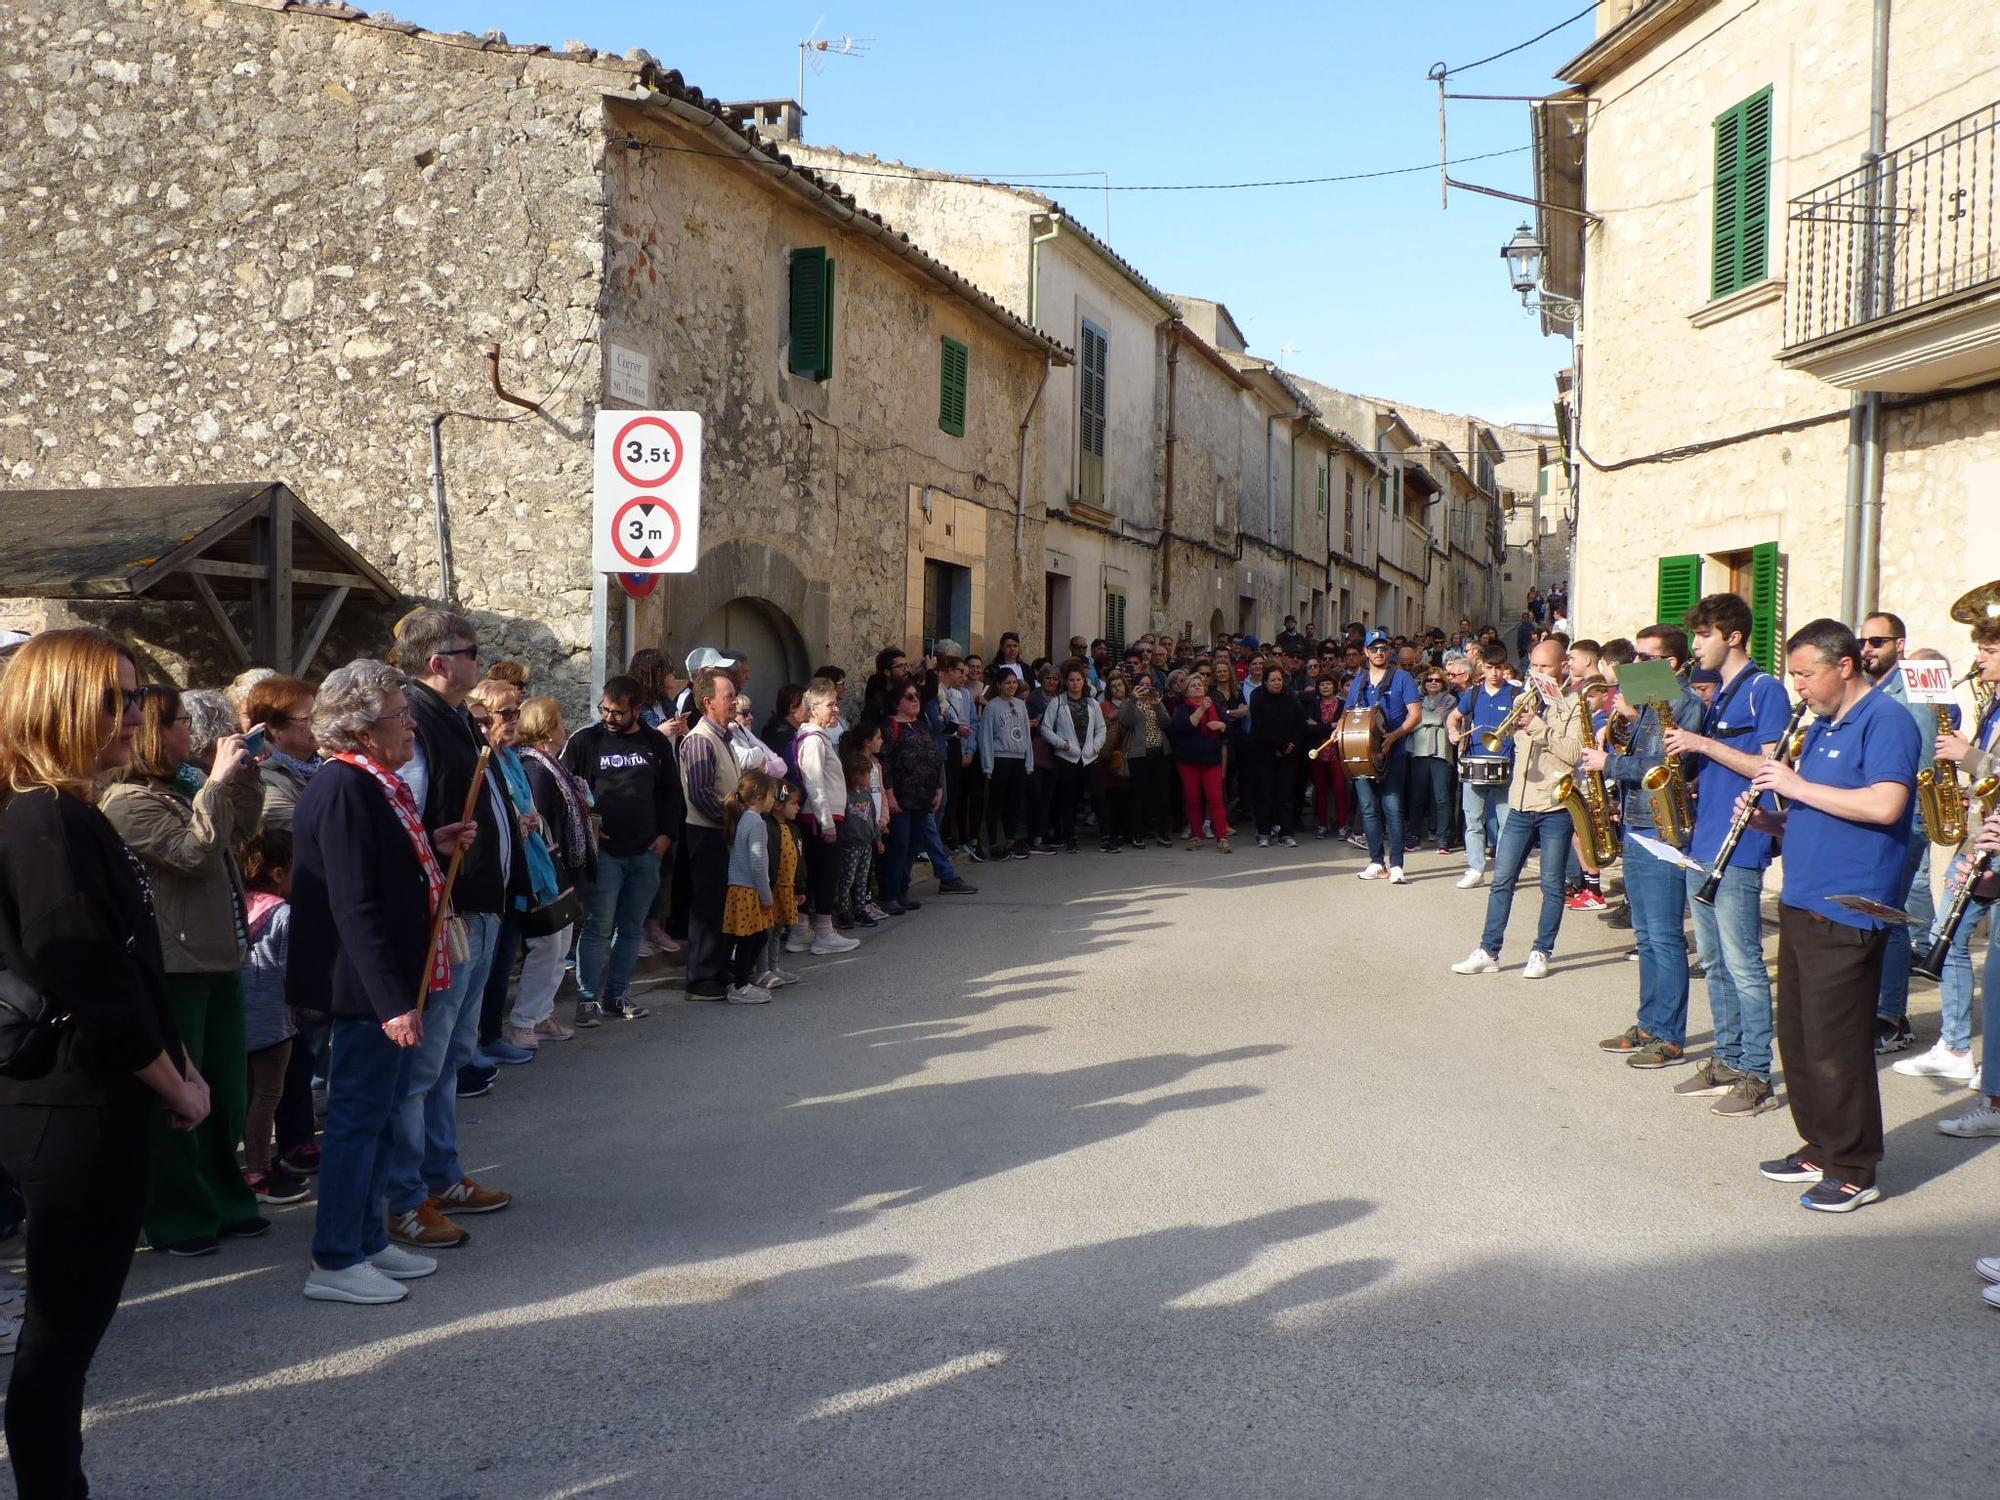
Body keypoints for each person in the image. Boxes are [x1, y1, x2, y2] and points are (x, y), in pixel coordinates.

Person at [0, 629, 210, 1495]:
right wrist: (170, 1079)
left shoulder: (60, 808)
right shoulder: (45, 813)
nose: (134, 716)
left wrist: (175, 1062)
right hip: (73, 1102)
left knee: (62, 1337)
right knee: (58, 1340)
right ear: (58, 706)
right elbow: (81, 966)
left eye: (135, 698)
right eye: (116, 700)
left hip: (82, 1096)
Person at [292, 658, 473, 1302]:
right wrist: (392, 1000)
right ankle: (336, 1257)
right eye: (400, 718)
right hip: (366, 988)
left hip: (389, 982)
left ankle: (367, 1239)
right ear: (364, 729)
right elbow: (352, 903)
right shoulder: (344, 788)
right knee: (355, 1120)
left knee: (375, 1117)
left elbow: (386, 869)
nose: (411, 730)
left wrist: (437, 843)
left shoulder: (372, 784)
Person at [1735, 619, 1920, 1211]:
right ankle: (1819, 1143)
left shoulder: (1885, 721)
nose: (1799, 688)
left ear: (1844, 666)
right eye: (1794, 676)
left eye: (1806, 675)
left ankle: (1855, 1166)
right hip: (1803, 902)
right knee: (1800, 1034)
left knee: (1837, 1044)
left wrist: (1794, 784)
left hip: (1850, 906)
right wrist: (1772, 820)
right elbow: (1821, 810)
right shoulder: (1820, 725)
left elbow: (1886, 804)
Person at [100, 683, 268, 1257]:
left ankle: (227, 1198)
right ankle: (177, 1214)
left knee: (228, 1091)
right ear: (152, 733)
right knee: (181, 1101)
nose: (187, 735)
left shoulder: (189, 785)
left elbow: (242, 832)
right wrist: (218, 784)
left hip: (220, 956)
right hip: (176, 965)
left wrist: (241, 776)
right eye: (175, 723)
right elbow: (192, 853)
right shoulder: (125, 801)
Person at [384, 608, 519, 1251]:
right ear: (438, 662)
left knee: (449, 1060)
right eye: (470, 651)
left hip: (477, 910)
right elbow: (405, 821)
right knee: (423, 1067)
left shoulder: (456, 720)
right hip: (449, 916)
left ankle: (441, 1174)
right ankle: (407, 1196)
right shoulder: (415, 724)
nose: (478, 661)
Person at [1660, 593, 1798, 1117]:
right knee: (1715, 961)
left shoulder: (1767, 690)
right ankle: (1727, 1057)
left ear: (1733, 636)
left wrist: (1702, 745)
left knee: (1744, 965)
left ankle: (1756, 1072)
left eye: (1703, 635)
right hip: (1704, 839)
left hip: (1741, 842)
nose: (1696, 645)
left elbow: (1771, 766)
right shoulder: (1717, 695)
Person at [1584, 625, 1706, 1069]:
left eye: (1644, 657)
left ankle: (1669, 1035)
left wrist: (1609, 762)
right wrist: (1626, 724)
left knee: (1665, 935)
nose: (1634, 665)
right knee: (1647, 935)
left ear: (1670, 664)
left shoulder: (1684, 702)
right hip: (1637, 820)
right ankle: (1649, 1023)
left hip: (1662, 826)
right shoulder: (1653, 700)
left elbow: (1664, 765)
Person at [1451, 638, 1586, 979]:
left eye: (1545, 667)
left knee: (1552, 885)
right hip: (1520, 804)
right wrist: (1510, 728)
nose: (1537, 673)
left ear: (1563, 667)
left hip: (1555, 805)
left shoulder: (1573, 705)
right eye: (1534, 667)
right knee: (1502, 881)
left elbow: (1573, 753)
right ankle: (1488, 950)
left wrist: (1537, 727)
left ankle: (1541, 951)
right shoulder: (1522, 698)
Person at [561, 673, 683, 1022]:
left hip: (646, 852)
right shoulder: (587, 741)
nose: (609, 718)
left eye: (617, 712)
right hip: (606, 855)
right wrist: (587, 832)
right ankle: (586, 999)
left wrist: (666, 836)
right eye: (605, 710)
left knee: (631, 928)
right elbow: (567, 791)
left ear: (638, 710)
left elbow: (671, 793)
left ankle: (617, 994)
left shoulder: (655, 744)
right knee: (598, 925)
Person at [1911, 620, 2000, 1097]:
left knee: (1967, 945)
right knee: (1952, 939)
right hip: (1981, 838)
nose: (1979, 658)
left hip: (1993, 847)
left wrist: (1970, 757)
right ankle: (1956, 1045)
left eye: (1989, 649)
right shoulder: (1993, 705)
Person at [1858, 613, 1942, 1054]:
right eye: (1863, 640)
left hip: (1906, 816)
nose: (1867, 648)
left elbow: (1925, 760)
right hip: (1877, 816)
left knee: (1888, 918)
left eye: (1877, 640)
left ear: (1900, 644)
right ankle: (1881, 1008)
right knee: (1878, 914)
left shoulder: (1913, 687)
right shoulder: (1873, 689)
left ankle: (1891, 1017)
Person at [237, 826, 309, 1206]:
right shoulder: (284, 913)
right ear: (279, 874)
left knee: (244, 1095)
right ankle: (259, 1170)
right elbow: (291, 970)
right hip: (273, 1020)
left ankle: (251, 1164)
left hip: (238, 1015)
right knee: (267, 1096)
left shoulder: (238, 904)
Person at [515, 696, 588, 1039]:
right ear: (545, 728)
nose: (565, 728)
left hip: (560, 870)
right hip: (546, 873)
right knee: (546, 948)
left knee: (559, 947)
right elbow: (540, 824)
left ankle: (542, 1014)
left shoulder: (551, 765)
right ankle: (524, 1021)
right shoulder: (537, 771)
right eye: (559, 721)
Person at [881, 681, 977, 907]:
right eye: (909, 697)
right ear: (897, 702)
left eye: (917, 696)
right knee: (899, 845)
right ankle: (888, 894)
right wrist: (889, 794)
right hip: (901, 797)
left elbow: (932, 756)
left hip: (923, 796)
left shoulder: (922, 724)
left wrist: (938, 787)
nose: (915, 700)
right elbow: (884, 762)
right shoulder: (890, 726)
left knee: (912, 846)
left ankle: (902, 892)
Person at [677, 667, 739, 1000]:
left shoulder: (722, 737)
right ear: (707, 702)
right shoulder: (701, 740)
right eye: (728, 696)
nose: (735, 701)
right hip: (709, 834)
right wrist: (735, 821)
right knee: (707, 907)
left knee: (720, 905)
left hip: (721, 832)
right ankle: (701, 979)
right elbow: (702, 794)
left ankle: (716, 970)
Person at [1346, 629, 1421, 883]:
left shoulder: (1402, 678)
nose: (1379, 652)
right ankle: (1376, 862)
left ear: (1388, 651)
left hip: (1394, 753)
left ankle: (1397, 864)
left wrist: (1395, 735)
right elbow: (1347, 718)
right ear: (1366, 652)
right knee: (1368, 809)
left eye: (1383, 648)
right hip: (1363, 755)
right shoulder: (1359, 682)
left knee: (1392, 808)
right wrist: (1338, 732)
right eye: (1374, 648)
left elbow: (1415, 714)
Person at [793, 679, 859, 951]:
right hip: (822, 818)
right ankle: (822, 932)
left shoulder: (816, 738)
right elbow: (814, 780)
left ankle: (802, 932)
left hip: (824, 816)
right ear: (813, 708)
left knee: (819, 873)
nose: (836, 709)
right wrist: (826, 820)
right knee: (825, 874)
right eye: (831, 705)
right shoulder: (813, 740)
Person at [1448, 643, 1519, 890]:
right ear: (1483, 667)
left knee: (1506, 823)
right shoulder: (1474, 694)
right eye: (1490, 668)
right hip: (1476, 763)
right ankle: (1476, 869)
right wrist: (1453, 732)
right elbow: (1453, 717)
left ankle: (1504, 873)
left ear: (1505, 668)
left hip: (1505, 764)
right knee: (1474, 820)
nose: (1495, 673)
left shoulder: (1514, 694)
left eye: (1499, 668)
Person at [721, 769, 779, 1004]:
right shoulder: (756, 822)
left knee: (756, 938)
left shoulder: (741, 818)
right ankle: (741, 985)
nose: (774, 801)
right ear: (758, 797)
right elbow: (757, 862)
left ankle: (741, 980)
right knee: (750, 938)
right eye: (771, 796)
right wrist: (766, 896)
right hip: (749, 889)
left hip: (738, 888)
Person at [1043, 662, 1107, 853]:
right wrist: (1062, 744)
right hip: (1066, 757)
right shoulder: (1058, 702)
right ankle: (1070, 837)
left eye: (1078, 679)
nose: (1074, 683)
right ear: (1066, 682)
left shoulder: (1092, 703)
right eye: (1071, 680)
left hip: (1089, 757)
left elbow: (1101, 728)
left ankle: (1106, 836)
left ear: (1083, 681)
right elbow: (1045, 728)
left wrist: (1095, 747)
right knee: (1068, 799)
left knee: (1098, 796)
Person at [244, 675, 320, 834]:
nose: (318, 723)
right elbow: (313, 830)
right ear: (273, 728)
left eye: (318, 715)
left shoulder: (325, 765)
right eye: (307, 718)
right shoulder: (262, 779)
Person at [1169, 675, 1231, 853]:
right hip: (1189, 761)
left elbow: (1228, 730)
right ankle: (1196, 836)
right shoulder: (1183, 709)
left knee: (1216, 800)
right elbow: (1183, 727)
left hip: (1211, 760)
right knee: (1193, 800)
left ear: (1205, 689)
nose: (1197, 688)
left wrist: (1221, 725)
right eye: (1192, 686)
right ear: (1186, 692)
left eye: (1200, 685)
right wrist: (1202, 710)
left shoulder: (1217, 708)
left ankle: (1222, 838)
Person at [979, 666, 1033, 858]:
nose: (1011, 686)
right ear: (999, 685)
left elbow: (1026, 733)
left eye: (1013, 682)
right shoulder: (992, 706)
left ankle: (1011, 840)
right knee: (996, 801)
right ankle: (993, 842)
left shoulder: (1020, 704)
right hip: (1000, 758)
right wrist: (988, 764)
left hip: (1018, 758)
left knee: (1014, 801)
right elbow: (985, 735)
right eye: (1007, 683)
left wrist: (1029, 761)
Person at [837, 723, 888, 923]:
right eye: (866, 775)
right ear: (855, 775)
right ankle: (843, 910)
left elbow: (871, 819)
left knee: (862, 877)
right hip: (851, 844)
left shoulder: (866, 795)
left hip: (866, 843)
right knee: (847, 878)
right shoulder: (846, 797)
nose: (869, 779)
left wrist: (878, 839)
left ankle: (860, 908)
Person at [1118, 673, 1175, 849]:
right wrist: (1134, 699)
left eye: (1148, 685)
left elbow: (1167, 724)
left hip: (1160, 753)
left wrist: (1158, 705)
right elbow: (1125, 721)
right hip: (1139, 755)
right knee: (1138, 796)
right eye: (1141, 685)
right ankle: (1137, 833)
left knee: (1161, 795)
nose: (1145, 688)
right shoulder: (1130, 702)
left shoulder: (1157, 701)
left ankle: (1162, 832)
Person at [1249, 664, 1303, 848]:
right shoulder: (1258, 699)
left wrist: (1289, 745)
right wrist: (1278, 745)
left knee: (1285, 794)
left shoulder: (1290, 698)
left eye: (1279, 679)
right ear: (1265, 681)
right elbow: (1259, 728)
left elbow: (1299, 724)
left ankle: (1286, 833)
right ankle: (1263, 832)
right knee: (1265, 793)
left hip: (1288, 754)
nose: (1277, 683)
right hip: (1264, 752)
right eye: (1273, 680)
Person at [1406, 666, 1457, 856]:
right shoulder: (1417, 700)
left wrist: (1422, 719)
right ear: (1424, 683)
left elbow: (1443, 720)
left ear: (1443, 683)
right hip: (1419, 753)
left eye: (1437, 680)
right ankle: (1414, 836)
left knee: (1442, 798)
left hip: (1441, 754)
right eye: (1429, 680)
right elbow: (1410, 722)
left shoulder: (1450, 699)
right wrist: (1432, 717)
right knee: (1417, 797)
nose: (1433, 682)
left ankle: (1443, 838)